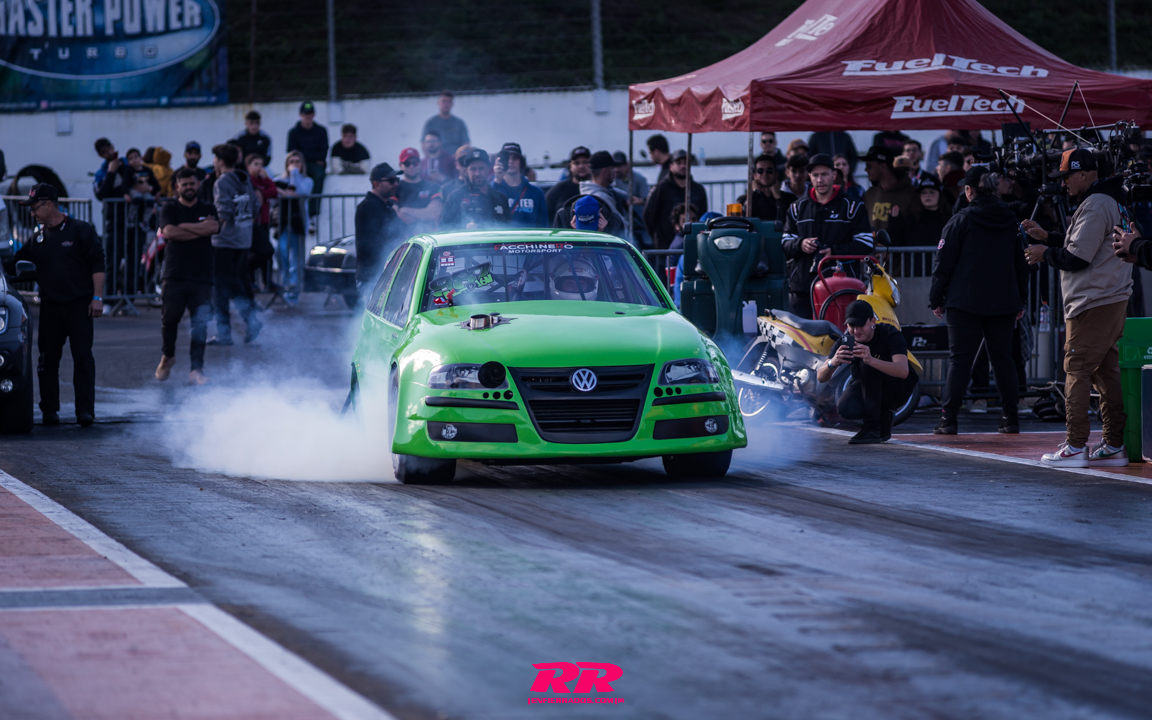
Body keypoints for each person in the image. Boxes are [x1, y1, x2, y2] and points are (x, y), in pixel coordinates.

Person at [1022, 148, 1132, 467]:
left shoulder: (1096, 204)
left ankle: (1075, 446)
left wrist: (1044, 253)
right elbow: (1088, 246)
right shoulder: (1111, 200)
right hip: (1109, 296)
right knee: (1105, 373)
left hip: (1092, 301)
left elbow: (1078, 258)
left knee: (1076, 370)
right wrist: (1049, 237)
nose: (1063, 183)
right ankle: (1114, 444)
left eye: (1067, 176)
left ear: (1083, 174)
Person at [929, 167, 1028, 435]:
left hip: (964, 301)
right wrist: (1021, 298)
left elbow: (943, 263)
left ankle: (948, 419)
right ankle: (1010, 417)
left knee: (960, 360)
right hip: (1003, 301)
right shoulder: (1010, 220)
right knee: (1003, 359)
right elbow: (1021, 263)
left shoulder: (961, 220)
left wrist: (936, 298)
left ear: (969, 191)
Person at [15, 184, 105, 427]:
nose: (32, 213)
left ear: (49, 204)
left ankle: (85, 412)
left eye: (35, 208)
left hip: (80, 306)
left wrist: (97, 298)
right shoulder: (37, 238)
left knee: (83, 358)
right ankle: (49, 411)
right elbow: (16, 264)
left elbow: (98, 264)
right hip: (51, 308)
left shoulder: (80, 230)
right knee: (47, 361)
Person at [781, 154, 874, 318]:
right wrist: (801, 244)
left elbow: (866, 243)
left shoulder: (853, 207)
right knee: (803, 333)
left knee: (839, 332)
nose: (820, 180)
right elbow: (785, 242)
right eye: (815, 175)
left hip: (842, 289)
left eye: (824, 174)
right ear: (810, 177)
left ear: (834, 175)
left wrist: (834, 251)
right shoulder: (796, 208)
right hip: (802, 289)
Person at [816, 300, 918, 444]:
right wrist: (833, 362)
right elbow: (820, 378)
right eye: (852, 326)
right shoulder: (846, 341)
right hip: (869, 388)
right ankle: (883, 417)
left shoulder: (889, 333)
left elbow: (903, 371)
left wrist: (871, 360)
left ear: (872, 321)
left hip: (898, 387)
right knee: (845, 408)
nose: (856, 331)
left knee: (867, 366)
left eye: (860, 325)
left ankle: (872, 428)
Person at [155, 168, 218, 386]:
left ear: (198, 184)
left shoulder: (208, 207)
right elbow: (169, 232)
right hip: (175, 273)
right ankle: (168, 356)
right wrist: (199, 228)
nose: (189, 187)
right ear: (177, 187)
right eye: (185, 184)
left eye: (192, 183)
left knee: (200, 324)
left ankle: (196, 370)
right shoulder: (170, 207)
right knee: (170, 318)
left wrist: (183, 227)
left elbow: (213, 227)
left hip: (202, 275)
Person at [208, 143, 262, 344]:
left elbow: (223, 211)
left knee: (221, 288)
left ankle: (225, 333)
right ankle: (251, 320)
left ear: (220, 161)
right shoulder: (244, 178)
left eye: (215, 159)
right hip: (243, 240)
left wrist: (210, 229)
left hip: (224, 242)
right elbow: (255, 205)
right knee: (235, 284)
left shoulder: (222, 182)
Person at [553, 151, 629, 240]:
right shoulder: (601, 199)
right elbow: (622, 231)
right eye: (612, 168)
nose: (615, 171)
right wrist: (603, 234)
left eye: (584, 162)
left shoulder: (611, 193)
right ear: (605, 171)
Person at [644, 149, 708, 252]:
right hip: (665, 247)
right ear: (671, 166)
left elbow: (703, 216)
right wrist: (658, 238)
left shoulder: (698, 190)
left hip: (692, 245)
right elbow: (649, 216)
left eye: (686, 163)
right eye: (679, 163)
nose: (683, 166)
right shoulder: (661, 188)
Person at [355, 163, 405, 294]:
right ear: (376, 183)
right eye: (391, 181)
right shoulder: (368, 207)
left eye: (397, 180)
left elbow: (403, 232)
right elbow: (374, 242)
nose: (396, 184)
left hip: (384, 274)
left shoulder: (387, 206)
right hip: (371, 277)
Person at [272, 151, 313, 306]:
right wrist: (283, 192)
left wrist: (294, 174)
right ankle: (286, 284)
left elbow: (300, 191)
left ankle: (293, 291)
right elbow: (273, 194)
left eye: (297, 161)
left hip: (298, 223)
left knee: (296, 257)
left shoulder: (307, 180)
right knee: (281, 252)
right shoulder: (278, 180)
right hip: (283, 223)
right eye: (291, 161)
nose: (294, 164)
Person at [440, 148, 510, 230]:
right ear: (466, 171)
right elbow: (443, 229)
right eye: (473, 169)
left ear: (488, 168)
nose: (477, 173)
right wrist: (464, 230)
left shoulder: (500, 198)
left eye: (481, 168)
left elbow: (508, 229)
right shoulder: (454, 197)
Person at [286, 101, 329, 230]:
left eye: (310, 113)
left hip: (314, 167)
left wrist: (304, 155)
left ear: (314, 114)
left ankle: (311, 213)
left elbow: (323, 153)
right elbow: (292, 153)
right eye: (305, 114)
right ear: (301, 115)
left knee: (319, 174)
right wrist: (312, 157)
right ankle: (294, 213)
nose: (308, 116)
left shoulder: (321, 131)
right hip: (299, 165)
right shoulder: (293, 132)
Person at [862, 145, 921, 232]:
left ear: (883, 167)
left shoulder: (912, 194)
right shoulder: (870, 194)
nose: (865, 170)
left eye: (869, 166)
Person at [491, 142, 548, 227]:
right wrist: (497, 179)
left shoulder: (536, 193)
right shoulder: (493, 189)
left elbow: (544, 226)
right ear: (499, 161)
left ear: (521, 161)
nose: (511, 161)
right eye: (507, 158)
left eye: (515, 158)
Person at [887, 176, 951, 247]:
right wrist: (894, 221)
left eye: (932, 192)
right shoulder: (911, 220)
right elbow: (896, 242)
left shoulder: (949, 219)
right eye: (924, 193)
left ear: (940, 195)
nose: (927, 195)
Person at [245, 154, 278, 292]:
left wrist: (266, 180)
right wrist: (263, 191)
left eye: (261, 164)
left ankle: (268, 281)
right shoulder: (248, 180)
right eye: (256, 164)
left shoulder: (262, 180)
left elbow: (273, 191)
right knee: (257, 251)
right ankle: (250, 280)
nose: (259, 167)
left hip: (264, 221)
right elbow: (257, 195)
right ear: (248, 166)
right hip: (253, 222)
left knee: (267, 252)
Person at [395, 147, 443, 236]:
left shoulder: (433, 186)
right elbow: (396, 216)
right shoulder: (395, 188)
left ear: (420, 164)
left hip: (428, 237)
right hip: (402, 239)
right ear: (401, 165)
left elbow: (435, 214)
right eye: (407, 163)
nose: (412, 166)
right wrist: (425, 215)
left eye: (415, 163)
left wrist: (405, 210)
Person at [737, 153, 792, 221]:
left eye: (769, 170)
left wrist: (779, 199)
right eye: (760, 171)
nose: (765, 174)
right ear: (754, 176)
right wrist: (756, 193)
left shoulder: (789, 199)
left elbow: (785, 222)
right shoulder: (743, 200)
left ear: (776, 175)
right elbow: (744, 218)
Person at [613, 151, 650, 246]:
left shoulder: (639, 179)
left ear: (627, 165)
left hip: (638, 223)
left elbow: (648, 200)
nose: (616, 169)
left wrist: (640, 201)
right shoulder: (612, 180)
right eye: (614, 166)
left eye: (619, 166)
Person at [545, 146, 592, 221]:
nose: (581, 166)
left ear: (592, 165)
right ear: (570, 166)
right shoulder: (558, 190)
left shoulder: (598, 189)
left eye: (585, 162)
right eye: (577, 163)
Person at [421, 91, 470, 156]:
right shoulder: (430, 123)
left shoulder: (459, 124)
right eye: (444, 101)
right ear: (438, 103)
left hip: (455, 159)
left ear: (452, 104)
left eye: (449, 101)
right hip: (437, 159)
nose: (446, 104)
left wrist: (458, 158)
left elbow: (466, 145)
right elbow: (424, 145)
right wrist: (432, 159)